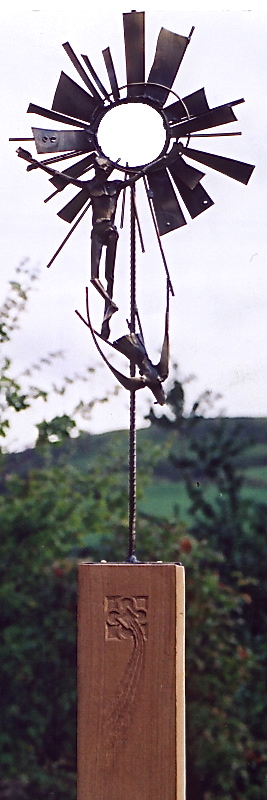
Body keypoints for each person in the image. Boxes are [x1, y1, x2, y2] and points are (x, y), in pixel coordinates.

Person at [17, 148, 146, 339]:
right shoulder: (90, 186)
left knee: (109, 276)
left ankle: (106, 322)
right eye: (97, 168)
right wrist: (36, 162)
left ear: (107, 170)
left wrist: (169, 157)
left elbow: (142, 173)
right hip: (100, 231)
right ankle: (110, 304)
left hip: (109, 231)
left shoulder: (115, 186)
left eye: (101, 169)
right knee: (95, 277)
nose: (98, 171)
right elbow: (62, 176)